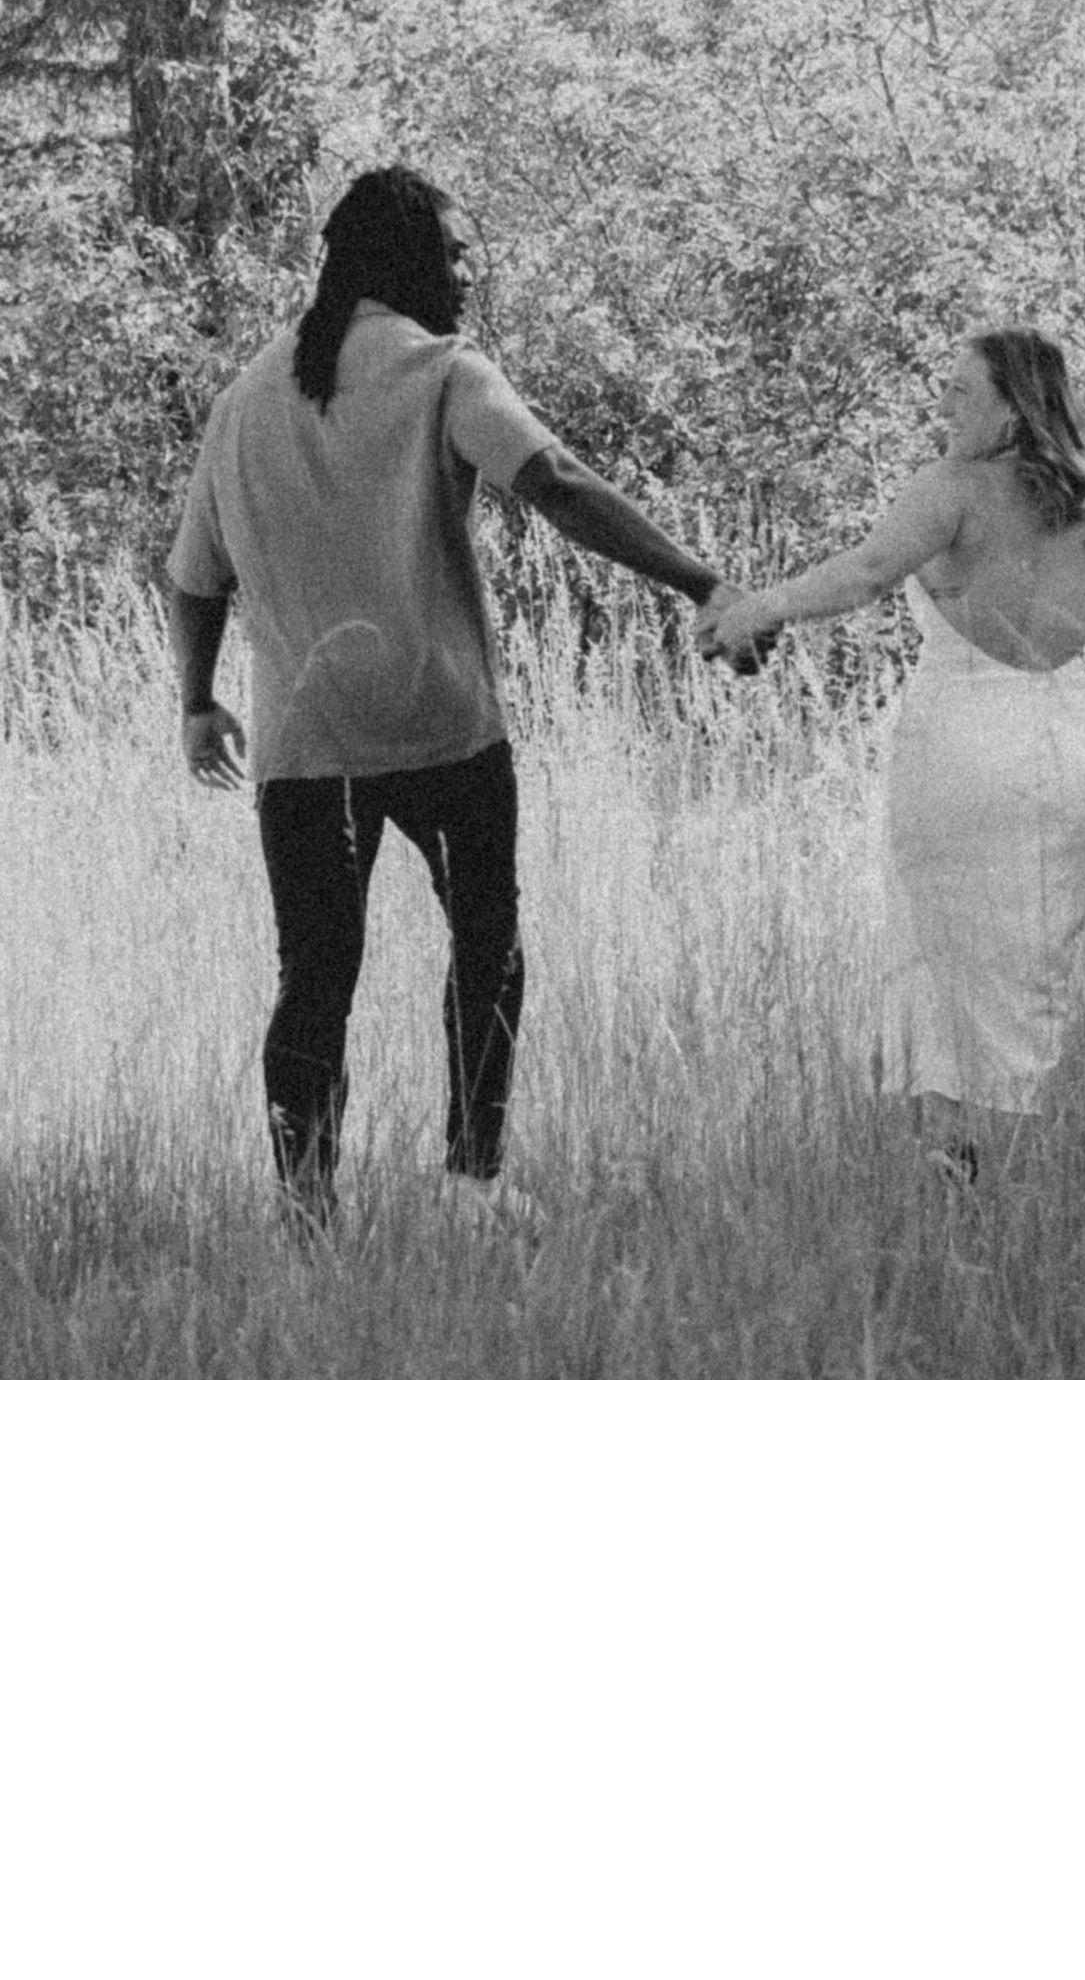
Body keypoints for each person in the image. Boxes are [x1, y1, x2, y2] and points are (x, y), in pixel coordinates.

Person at [167, 164, 741, 1231]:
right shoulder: (442, 373)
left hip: (305, 744)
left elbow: (196, 578)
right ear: (409, 260)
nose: (471, 272)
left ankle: (306, 1213)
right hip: (442, 728)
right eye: (458, 251)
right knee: (488, 949)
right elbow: (556, 482)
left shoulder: (243, 401)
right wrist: (698, 579)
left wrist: (196, 702)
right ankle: (474, 1183)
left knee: (313, 981)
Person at [694, 327, 1085, 1183]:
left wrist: (759, 609)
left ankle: (957, 1182)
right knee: (1031, 985)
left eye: (962, 391)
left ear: (1014, 411)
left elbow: (866, 572)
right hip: (1068, 765)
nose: (943, 405)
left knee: (943, 972)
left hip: (963, 751)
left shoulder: (952, 490)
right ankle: (1020, 1190)